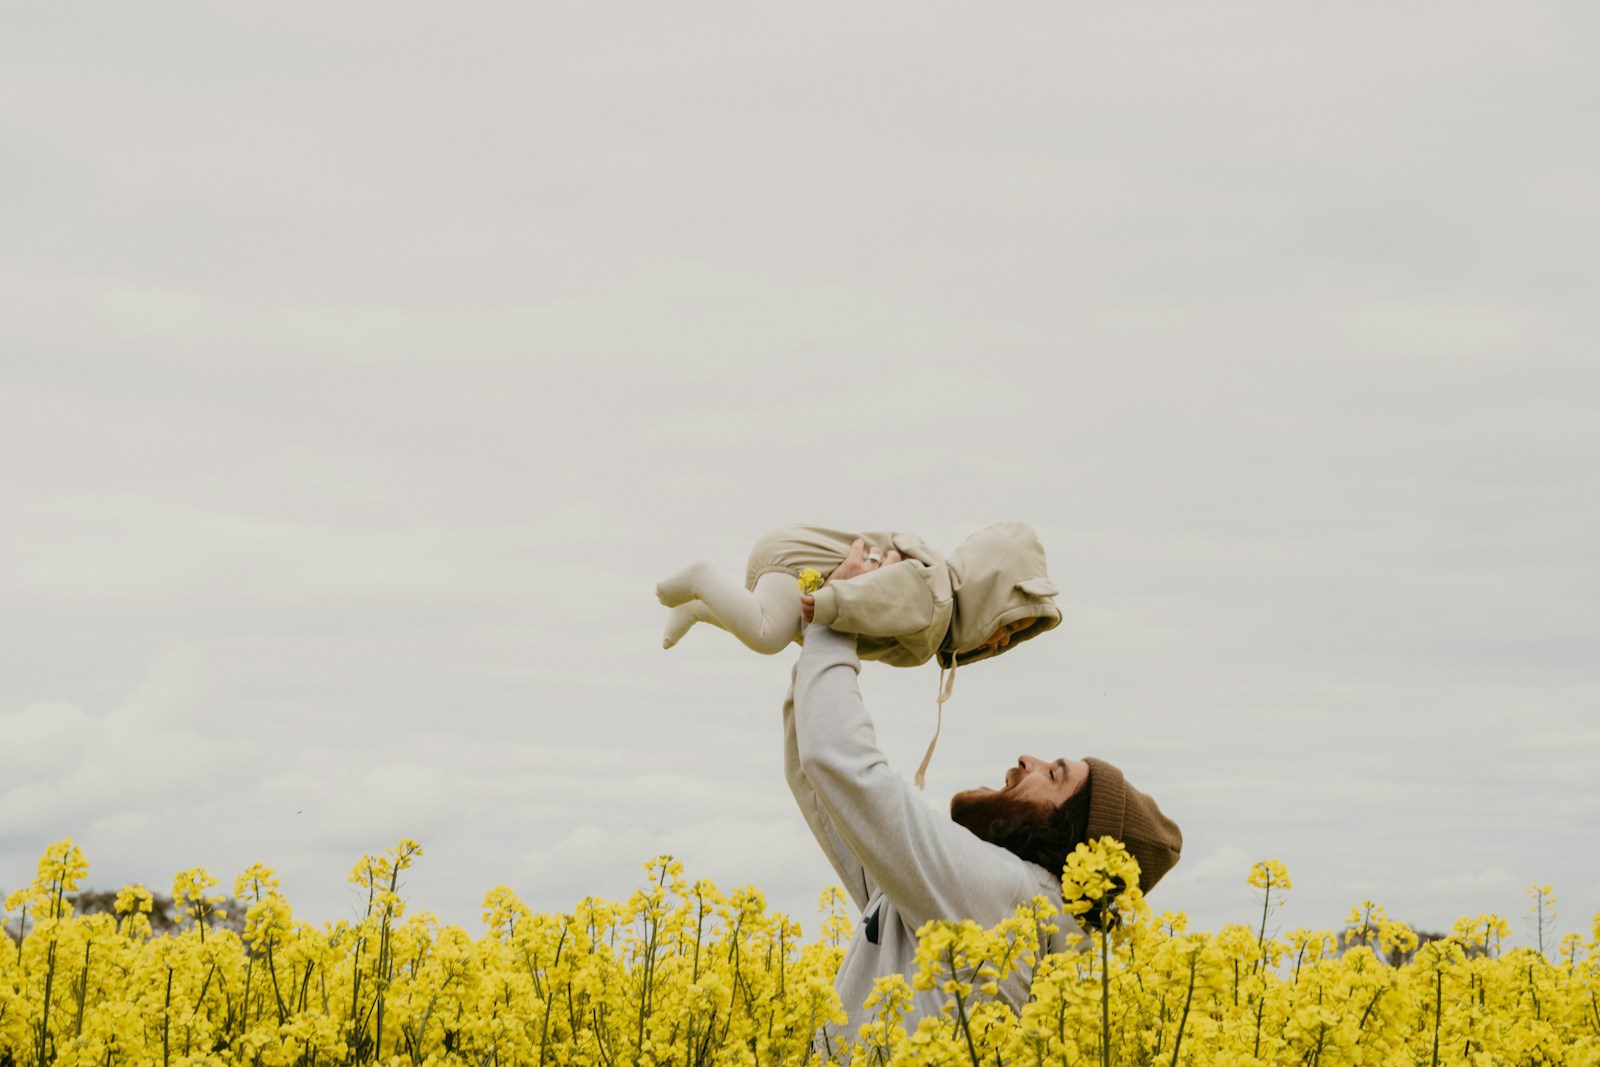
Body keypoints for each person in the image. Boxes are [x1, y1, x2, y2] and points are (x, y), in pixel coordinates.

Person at [784, 543, 1183, 1046]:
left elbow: (842, 765)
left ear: (1067, 842)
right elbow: (822, 781)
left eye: (1054, 776)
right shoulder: (968, 901)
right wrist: (824, 627)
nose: (1026, 760)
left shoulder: (1007, 898)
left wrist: (837, 617)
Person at [660, 524, 1063, 783]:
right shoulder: (933, 597)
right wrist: (832, 602)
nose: (1000, 642)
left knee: (770, 628)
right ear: (988, 594)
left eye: (1011, 639)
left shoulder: (937, 611)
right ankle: (701, 579)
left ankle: (700, 607)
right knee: (766, 635)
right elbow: (885, 593)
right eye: (1007, 626)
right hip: (802, 567)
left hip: (799, 564)